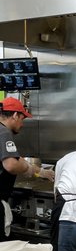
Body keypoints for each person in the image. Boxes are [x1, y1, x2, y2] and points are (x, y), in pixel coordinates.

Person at [0, 96, 55, 241]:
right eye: (22, 119)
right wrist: (31, 170)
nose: (22, 124)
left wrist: (39, 171)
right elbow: (11, 164)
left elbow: (15, 158)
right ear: (14, 115)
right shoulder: (3, 132)